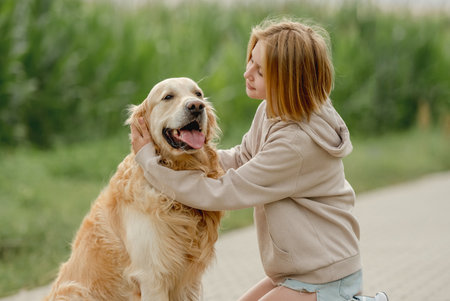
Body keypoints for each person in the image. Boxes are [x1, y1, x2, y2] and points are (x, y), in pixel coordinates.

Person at [130, 18, 388, 301]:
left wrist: (151, 165)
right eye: (250, 61)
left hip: (324, 277)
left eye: (260, 71)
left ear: (288, 81)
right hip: (300, 270)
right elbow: (242, 157)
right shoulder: (273, 110)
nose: (247, 73)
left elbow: (224, 191)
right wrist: (180, 161)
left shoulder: (296, 145)